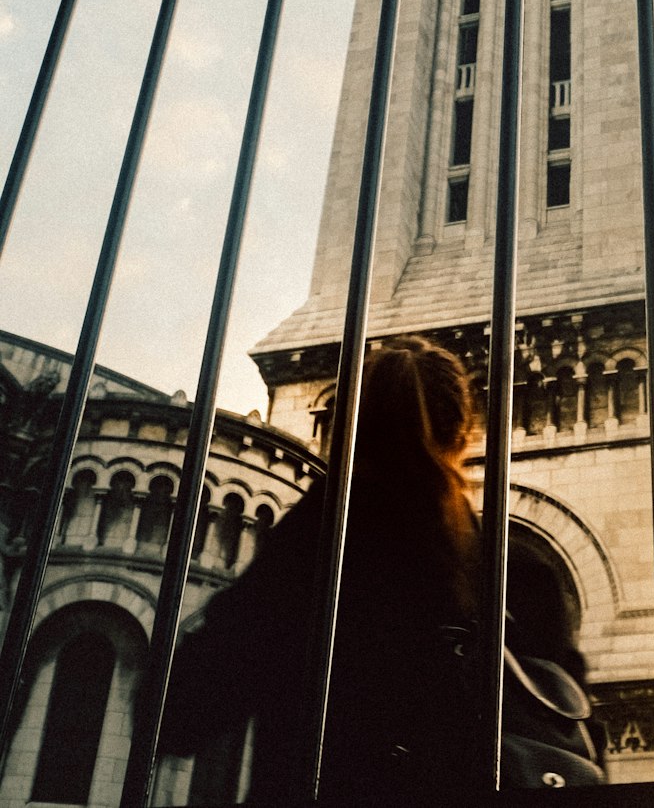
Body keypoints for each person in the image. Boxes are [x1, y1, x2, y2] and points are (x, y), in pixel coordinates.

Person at [159, 336, 591, 802]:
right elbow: (576, 734)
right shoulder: (525, 574)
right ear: (465, 435)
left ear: (346, 430)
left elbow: (181, 710)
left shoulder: (313, 550)